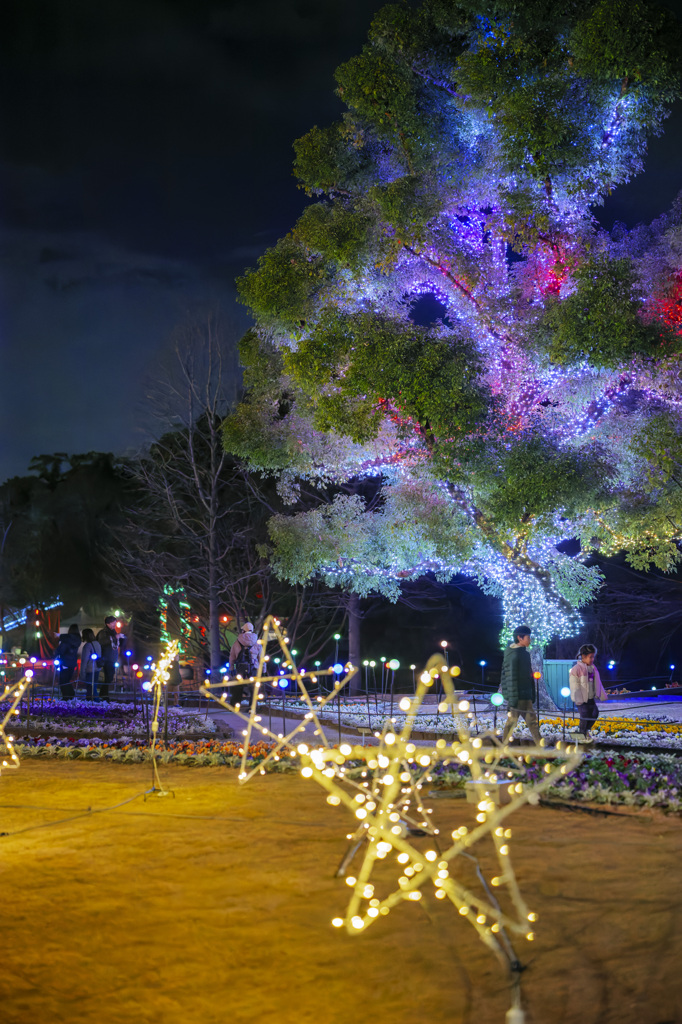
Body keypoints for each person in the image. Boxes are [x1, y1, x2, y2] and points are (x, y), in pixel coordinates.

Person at [499, 624, 543, 745]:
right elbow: (510, 677)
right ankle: (504, 746)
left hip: (525, 695)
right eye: (528, 637)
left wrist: (531, 693)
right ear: (520, 638)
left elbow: (528, 675)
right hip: (517, 695)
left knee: (531, 721)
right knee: (512, 722)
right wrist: (512, 698)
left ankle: (540, 744)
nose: (530, 640)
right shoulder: (514, 654)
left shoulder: (524, 653)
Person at [569, 643, 608, 740]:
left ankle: (585, 732)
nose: (592, 659)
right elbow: (574, 685)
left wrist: (601, 694)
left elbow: (598, 682)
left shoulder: (593, 668)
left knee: (594, 713)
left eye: (593, 657)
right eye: (590, 657)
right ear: (583, 656)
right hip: (581, 699)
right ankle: (581, 735)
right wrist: (578, 698)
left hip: (590, 698)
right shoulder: (576, 669)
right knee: (585, 716)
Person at [228, 622, 260, 707]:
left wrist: (231, 668)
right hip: (253, 667)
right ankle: (253, 706)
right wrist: (263, 669)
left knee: (238, 686)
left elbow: (232, 656)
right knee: (254, 687)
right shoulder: (257, 642)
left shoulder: (237, 642)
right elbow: (261, 657)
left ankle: (234, 705)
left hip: (240, 667)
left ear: (243, 630)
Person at [96, 616, 120, 698]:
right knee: (108, 677)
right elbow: (102, 642)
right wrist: (115, 637)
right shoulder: (103, 632)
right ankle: (104, 695)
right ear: (108, 624)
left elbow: (116, 644)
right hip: (106, 658)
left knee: (109, 677)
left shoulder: (113, 632)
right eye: (113, 623)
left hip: (112, 658)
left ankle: (104, 694)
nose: (114, 625)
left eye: (115, 623)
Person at [55, 624, 81, 699]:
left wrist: (56, 652)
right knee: (67, 680)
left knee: (63, 681)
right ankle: (70, 694)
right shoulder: (77, 640)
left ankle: (66, 696)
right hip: (72, 662)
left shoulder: (66, 641)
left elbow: (61, 650)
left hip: (64, 662)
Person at [79, 627, 101, 699]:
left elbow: (84, 660)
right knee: (94, 685)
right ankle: (92, 700)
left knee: (90, 687)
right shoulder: (97, 643)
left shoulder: (87, 646)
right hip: (97, 668)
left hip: (90, 669)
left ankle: (94, 701)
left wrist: (82, 673)